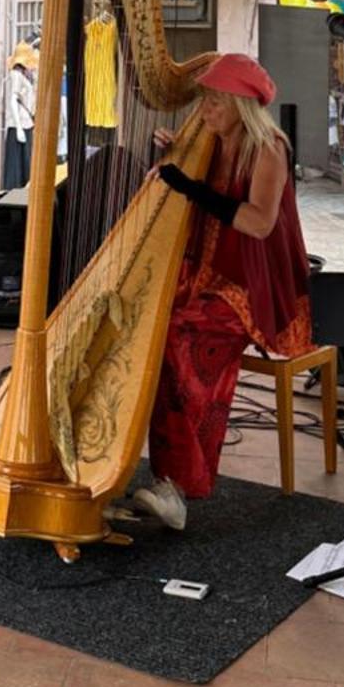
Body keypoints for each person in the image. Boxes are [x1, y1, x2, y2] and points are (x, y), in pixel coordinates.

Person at [134, 53, 313, 530]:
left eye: (214, 102)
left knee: (180, 338)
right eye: (206, 101)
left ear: (239, 104)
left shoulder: (268, 148)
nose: (206, 111)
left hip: (251, 286)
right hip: (208, 274)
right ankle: (143, 463)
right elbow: (188, 178)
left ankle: (179, 485)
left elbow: (258, 222)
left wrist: (191, 188)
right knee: (143, 320)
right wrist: (173, 153)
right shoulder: (212, 140)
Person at [2, 42, 37, 188]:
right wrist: (18, 127)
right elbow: (12, 100)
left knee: (25, 161)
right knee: (17, 163)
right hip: (19, 123)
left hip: (26, 121)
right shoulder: (15, 75)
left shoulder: (24, 74)